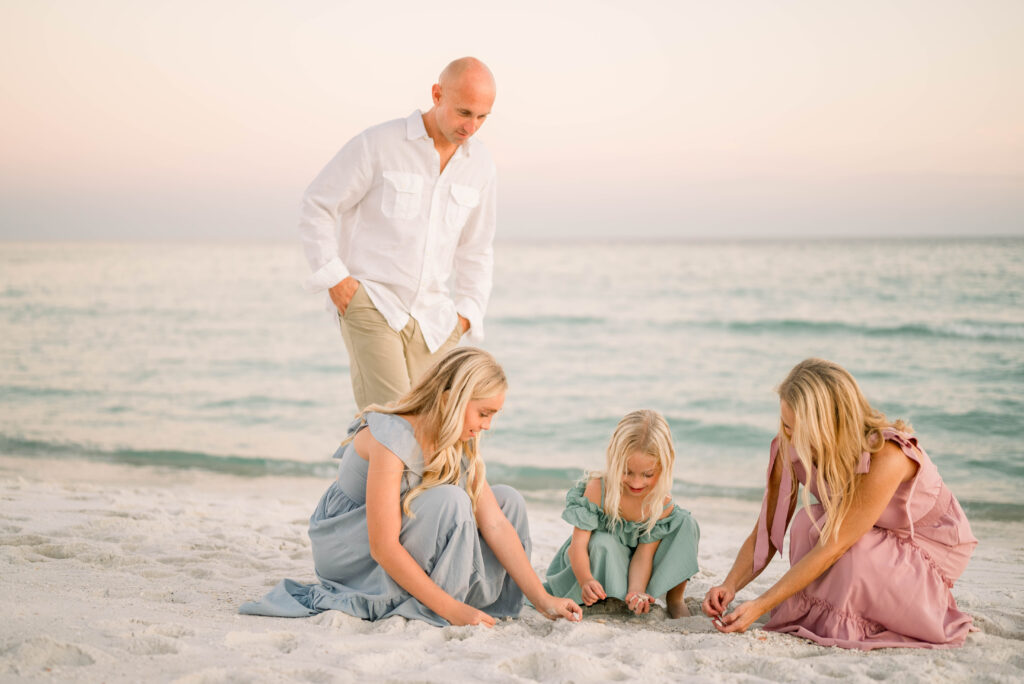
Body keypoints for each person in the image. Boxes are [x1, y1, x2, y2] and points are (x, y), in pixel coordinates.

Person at [240, 347, 581, 627]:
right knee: (450, 500)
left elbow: (494, 522)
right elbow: (383, 547)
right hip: (352, 547)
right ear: (450, 400)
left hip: (401, 533)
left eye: (494, 416)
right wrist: (452, 612)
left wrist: (543, 599)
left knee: (507, 500)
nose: (488, 426)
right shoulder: (390, 437)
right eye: (484, 413)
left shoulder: (457, 442)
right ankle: (442, 602)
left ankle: (465, 598)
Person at [703, 358, 978, 649]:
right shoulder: (789, 441)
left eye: (801, 430)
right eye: (785, 424)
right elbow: (769, 530)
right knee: (805, 524)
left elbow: (836, 545)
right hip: (868, 537)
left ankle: (884, 614)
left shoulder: (887, 455)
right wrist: (729, 585)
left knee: (850, 547)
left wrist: (761, 604)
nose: (790, 437)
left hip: (926, 549)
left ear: (831, 424)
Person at [298, 57, 498, 410]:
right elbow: (318, 204)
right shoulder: (378, 144)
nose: (472, 127)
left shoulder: (480, 165)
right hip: (373, 303)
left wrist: (466, 313)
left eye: (482, 117)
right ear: (437, 94)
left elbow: (477, 248)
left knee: (426, 431)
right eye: (464, 112)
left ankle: (358, 464)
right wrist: (336, 281)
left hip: (435, 322)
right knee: (392, 424)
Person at [543, 409, 700, 619]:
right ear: (614, 461)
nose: (636, 483)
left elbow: (644, 555)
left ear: (664, 466)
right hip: (597, 563)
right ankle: (607, 596)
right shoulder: (598, 490)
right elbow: (577, 546)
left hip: (635, 569)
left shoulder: (659, 502)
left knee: (685, 523)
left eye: (648, 474)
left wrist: (636, 590)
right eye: (627, 472)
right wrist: (586, 580)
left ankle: (674, 599)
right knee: (603, 542)